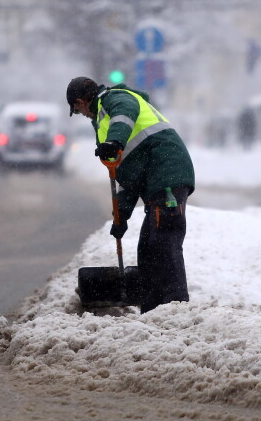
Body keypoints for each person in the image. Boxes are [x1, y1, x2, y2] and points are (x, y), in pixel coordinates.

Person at [66, 76, 195, 313]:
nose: (81, 114)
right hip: (154, 179)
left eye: (77, 109)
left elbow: (126, 112)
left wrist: (115, 140)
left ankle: (177, 307)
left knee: (164, 240)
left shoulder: (115, 99)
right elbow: (125, 178)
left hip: (167, 173)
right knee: (147, 248)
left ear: (81, 101)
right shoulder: (103, 123)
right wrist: (120, 217)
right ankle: (153, 308)